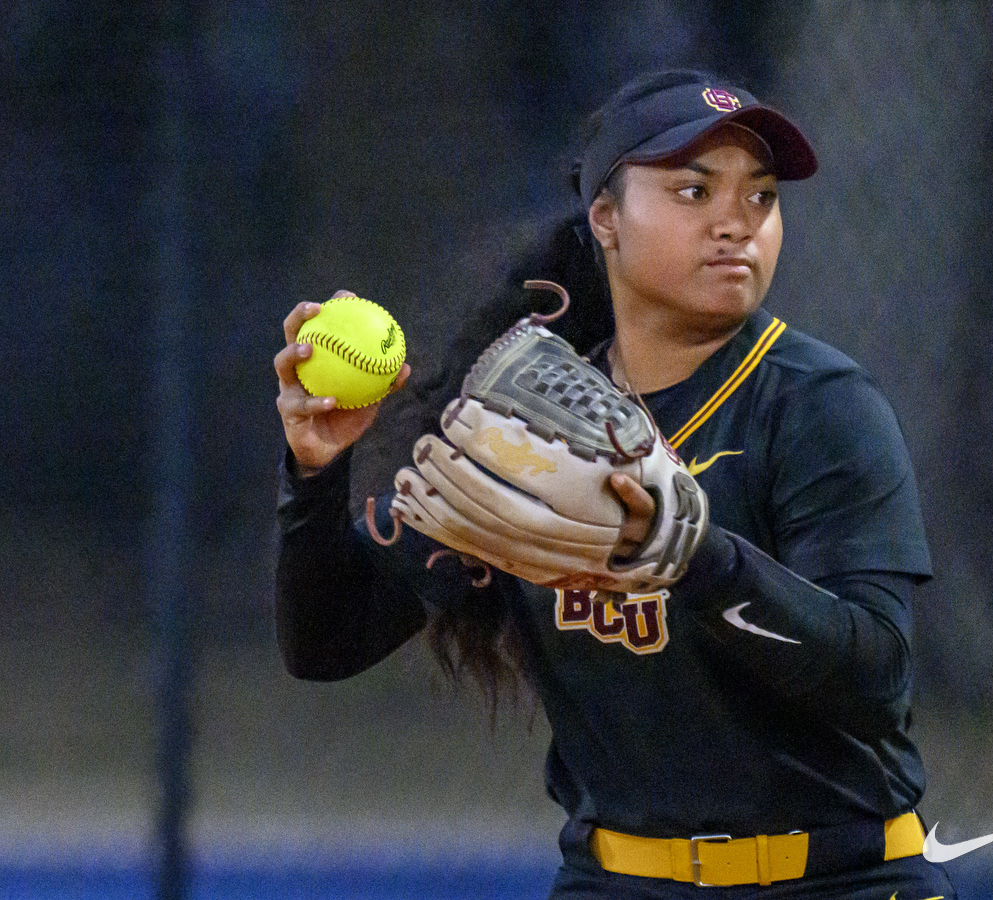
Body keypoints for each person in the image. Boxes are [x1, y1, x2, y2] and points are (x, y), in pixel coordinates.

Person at [273, 69, 956, 899]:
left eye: (761, 197)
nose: (735, 222)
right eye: (693, 190)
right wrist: (317, 471)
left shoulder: (817, 406)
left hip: (836, 878)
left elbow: (876, 680)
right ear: (606, 219)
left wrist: (694, 557)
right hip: (618, 880)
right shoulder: (518, 434)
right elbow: (326, 643)